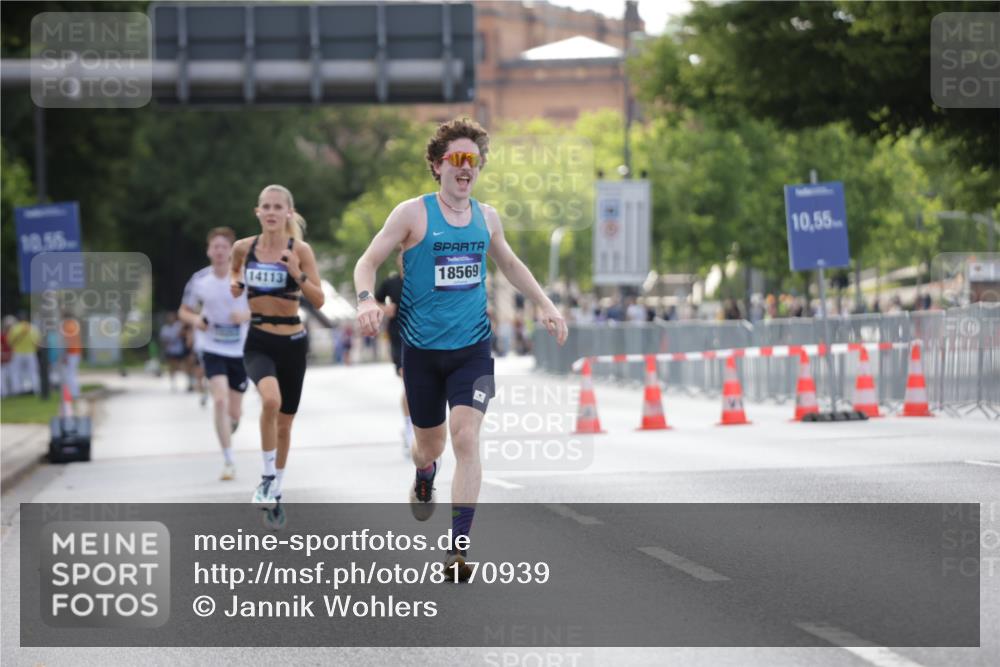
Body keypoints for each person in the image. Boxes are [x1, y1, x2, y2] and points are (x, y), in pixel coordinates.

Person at [354, 117, 568, 581]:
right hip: (422, 353)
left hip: (472, 348)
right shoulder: (412, 214)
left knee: (466, 438)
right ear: (437, 165)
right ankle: (424, 473)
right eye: (457, 158)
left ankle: (458, 549)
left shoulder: (487, 217)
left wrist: (546, 305)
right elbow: (368, 261)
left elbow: (509, 262)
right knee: (427, 447)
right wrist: (366, 299)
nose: (466, 167)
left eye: (474, 159)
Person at [230, 185, 324, 524]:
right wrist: (236, 284)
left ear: (288, 212)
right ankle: (267, 479)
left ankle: (277, 489)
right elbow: (235, 275)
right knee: (270, 400)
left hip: (293, 342)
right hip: (259, 340)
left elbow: (319, 299)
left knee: (285, 424)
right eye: (265, 206)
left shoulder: (300, 250)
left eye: (277, 207)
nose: (271, 212)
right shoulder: (244, 248)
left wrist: (296, 271)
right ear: (257, 212)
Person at [179, 227, 252, 482]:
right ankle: (229, 458)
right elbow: (184, 311)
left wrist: (245, 315)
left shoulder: (245, 277)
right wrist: (197, 319)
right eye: (215, 247)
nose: (219, 251)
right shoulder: (199, 280)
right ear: (209, 251)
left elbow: (263, 306)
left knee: (234, 412)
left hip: (240, 349)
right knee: (219, 400)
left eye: (224, 246)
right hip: (211, 347)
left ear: (231, 251)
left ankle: (230, 425)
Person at [375, 249, 413, 456]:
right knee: (408, 383)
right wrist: (384, 309)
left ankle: (418, 426)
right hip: (399, 338)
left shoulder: (424, 281)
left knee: (419, 387)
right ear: (398, 261)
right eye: (403, 258)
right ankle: (409, 429)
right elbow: (376, 301)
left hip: (424, 339)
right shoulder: (390, 283)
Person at [7, 314, 41, 395]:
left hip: (18, 352)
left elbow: (9, 341)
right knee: (33, 372)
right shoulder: (33, 328)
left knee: (15, 372)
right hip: (30, 352)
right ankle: (36, 389)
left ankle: (17, 390)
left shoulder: (14, 328)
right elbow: (38, 342)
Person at [159, 312, 187, 390]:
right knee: (172, 366)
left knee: (181, 366)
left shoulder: (178, 326)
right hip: (170, 350)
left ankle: (187, 381)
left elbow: (183, 333)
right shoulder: (165, 328)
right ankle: (173, 382)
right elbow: (164, 340)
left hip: (179, 350)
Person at [59, 312, 83, 399]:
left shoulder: (67, 326)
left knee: (70, 374)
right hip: (76, 351)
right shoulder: (74, 325)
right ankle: (75, 392)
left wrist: (64, 355)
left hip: (71, 352)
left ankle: (74, 394)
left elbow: (67, 342)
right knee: (73, 373)